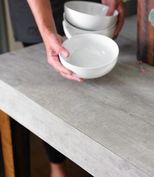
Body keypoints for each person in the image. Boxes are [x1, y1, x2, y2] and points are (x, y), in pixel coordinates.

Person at [8, 0, 124, 177]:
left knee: (92, 87)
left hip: (83, 5)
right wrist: (47, 31)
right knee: (53, 95)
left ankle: (97, 162)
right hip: (36, 6)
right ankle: (57, 167)